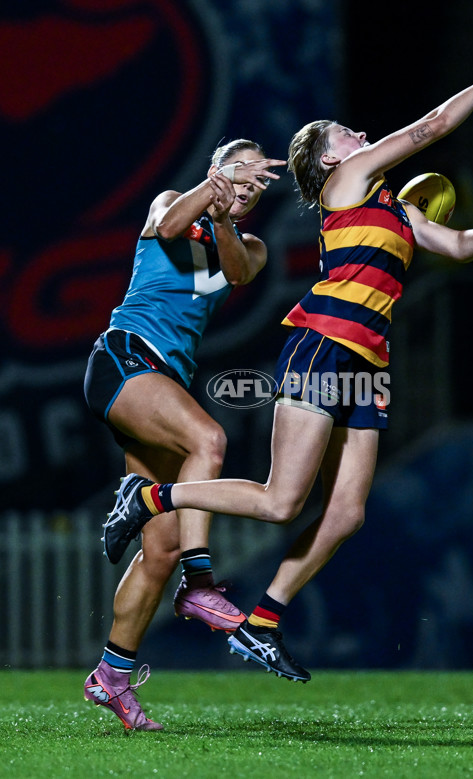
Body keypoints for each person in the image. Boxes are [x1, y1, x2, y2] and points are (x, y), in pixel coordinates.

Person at [102, 60, 473, 690]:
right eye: (344, 135)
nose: (358, 135)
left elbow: (458, 247)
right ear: (330, 164)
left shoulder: (397, 208)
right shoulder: (351, 182)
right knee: (283, 503)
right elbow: (434, 125)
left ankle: (263, 621)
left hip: (369, 363)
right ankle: (149, 499)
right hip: (323, 346)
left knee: (347, 514)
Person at [82, 139, 286, 731]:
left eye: (256, 179)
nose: (249, 183)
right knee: (210, 440)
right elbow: (171, 223)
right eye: (238, 171)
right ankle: (201, 583)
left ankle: (111, 677)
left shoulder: (249, 242)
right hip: (125, 359)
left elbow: (241, 271)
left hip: (160, 385)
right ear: (216, 170)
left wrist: (225, 213)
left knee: (159, 549)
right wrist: (213, 189)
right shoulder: (174, 200)